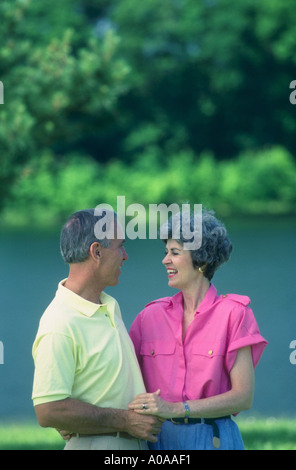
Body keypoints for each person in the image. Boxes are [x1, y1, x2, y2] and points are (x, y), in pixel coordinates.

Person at [129, 209, 267, 450]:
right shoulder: (148, 317)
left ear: (201, 260)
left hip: (214, 440)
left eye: (174, 253)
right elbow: (122, 379)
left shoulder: (235, 314)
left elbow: (243, 397)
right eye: (165, 252)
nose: (165, 260)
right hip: (156, 442)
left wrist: (176, 408)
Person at [32, 209, 163, 450]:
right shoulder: (59, 323)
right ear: (97, 252)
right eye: (120, 246)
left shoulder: (109, 305)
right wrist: (126, 421)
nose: (125, 256)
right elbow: (49, 410)